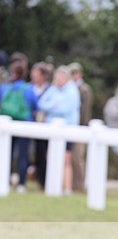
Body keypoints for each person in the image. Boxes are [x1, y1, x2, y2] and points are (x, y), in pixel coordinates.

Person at [37, 65, 80, 194]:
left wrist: (52, 107)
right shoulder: (52, 89)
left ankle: (66, 187)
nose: (59, 80)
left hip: (67, 129)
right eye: (57, 77)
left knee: (66, 159)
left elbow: (65, 109)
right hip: (51, 128)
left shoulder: (72, 91)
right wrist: (54, 106)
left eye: (61, 77)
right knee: (50, 156)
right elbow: (41, 103)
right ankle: (53, 185)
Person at [0, 59, 38, 193]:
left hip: (8, 124)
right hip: (24, 124)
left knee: (6, 154)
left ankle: (6, 180)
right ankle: (21, 184)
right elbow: (35, 105)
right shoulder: (28, 89)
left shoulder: (5, 88)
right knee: (23, 155)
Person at [68, 62, 94, 192]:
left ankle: (79, 186)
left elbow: (85, 110)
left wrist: (81, 125)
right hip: (72, 126)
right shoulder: (70, 88)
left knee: (77, 158)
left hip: (81, 127)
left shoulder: (84, 89)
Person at [30, 61, 53, 188]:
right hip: (31, 124)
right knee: (35, 153)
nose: (33, 76)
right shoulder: (30, 88)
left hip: (45, 126)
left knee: (44, 153)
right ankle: (38, 177)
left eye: (36, 73)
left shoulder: (50, 89)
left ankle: (44, 180)